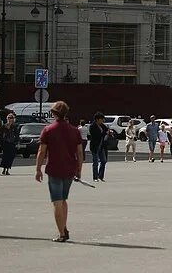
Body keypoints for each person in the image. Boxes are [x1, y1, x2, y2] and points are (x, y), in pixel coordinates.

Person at [36, 101, 83, 243]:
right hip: (69, 169)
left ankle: (62, 233)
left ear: (53, 113)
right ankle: (64, 227)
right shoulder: (75, 131)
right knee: (63, 200)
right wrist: (79, 170)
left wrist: (38, 169)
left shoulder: (48, 130)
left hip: (54, 169)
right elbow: (80, 153)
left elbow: (41, 151)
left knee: (56, 201)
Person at [89, 113, 110, 181]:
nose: (103, 120)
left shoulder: (102, 125)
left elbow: (106, 130)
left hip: (101, 146)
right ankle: (95, 177)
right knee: (95, 162)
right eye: (101, 119)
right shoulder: (92, 126)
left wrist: (109, 132)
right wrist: (104, 133)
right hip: (95, 146)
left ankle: (100, 176)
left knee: (103, 161)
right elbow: (95, 135)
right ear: (97, 119)